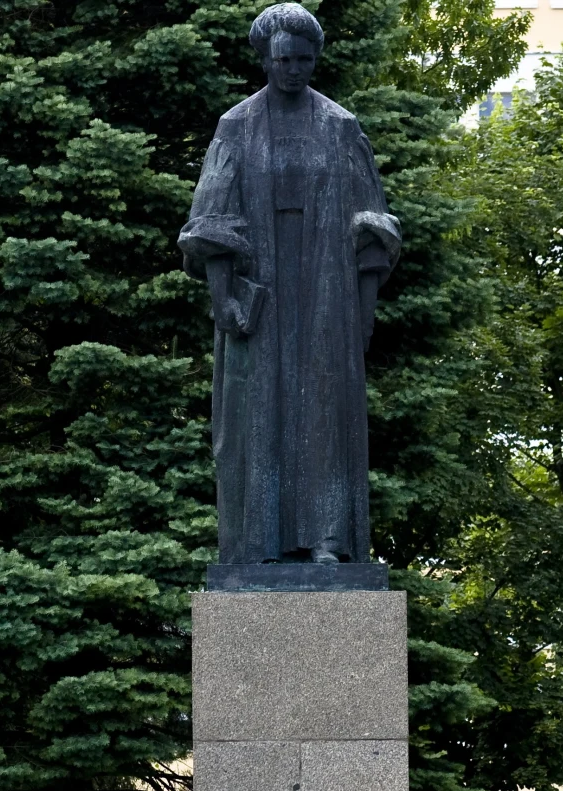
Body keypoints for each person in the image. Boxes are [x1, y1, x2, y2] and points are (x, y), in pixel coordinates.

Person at [178, 2, 400, 565]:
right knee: (257, 409)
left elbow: (372, 223)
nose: (295, 69)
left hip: (326, 285)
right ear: (264, 59)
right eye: (284, 59)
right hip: (262, 288)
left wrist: (363, 309)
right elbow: (211, 216)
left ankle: (329, 541)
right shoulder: (236, 125)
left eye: (305, 59)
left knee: (325, 406)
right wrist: (224, 293)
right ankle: (258, 543)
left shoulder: (340, 125)